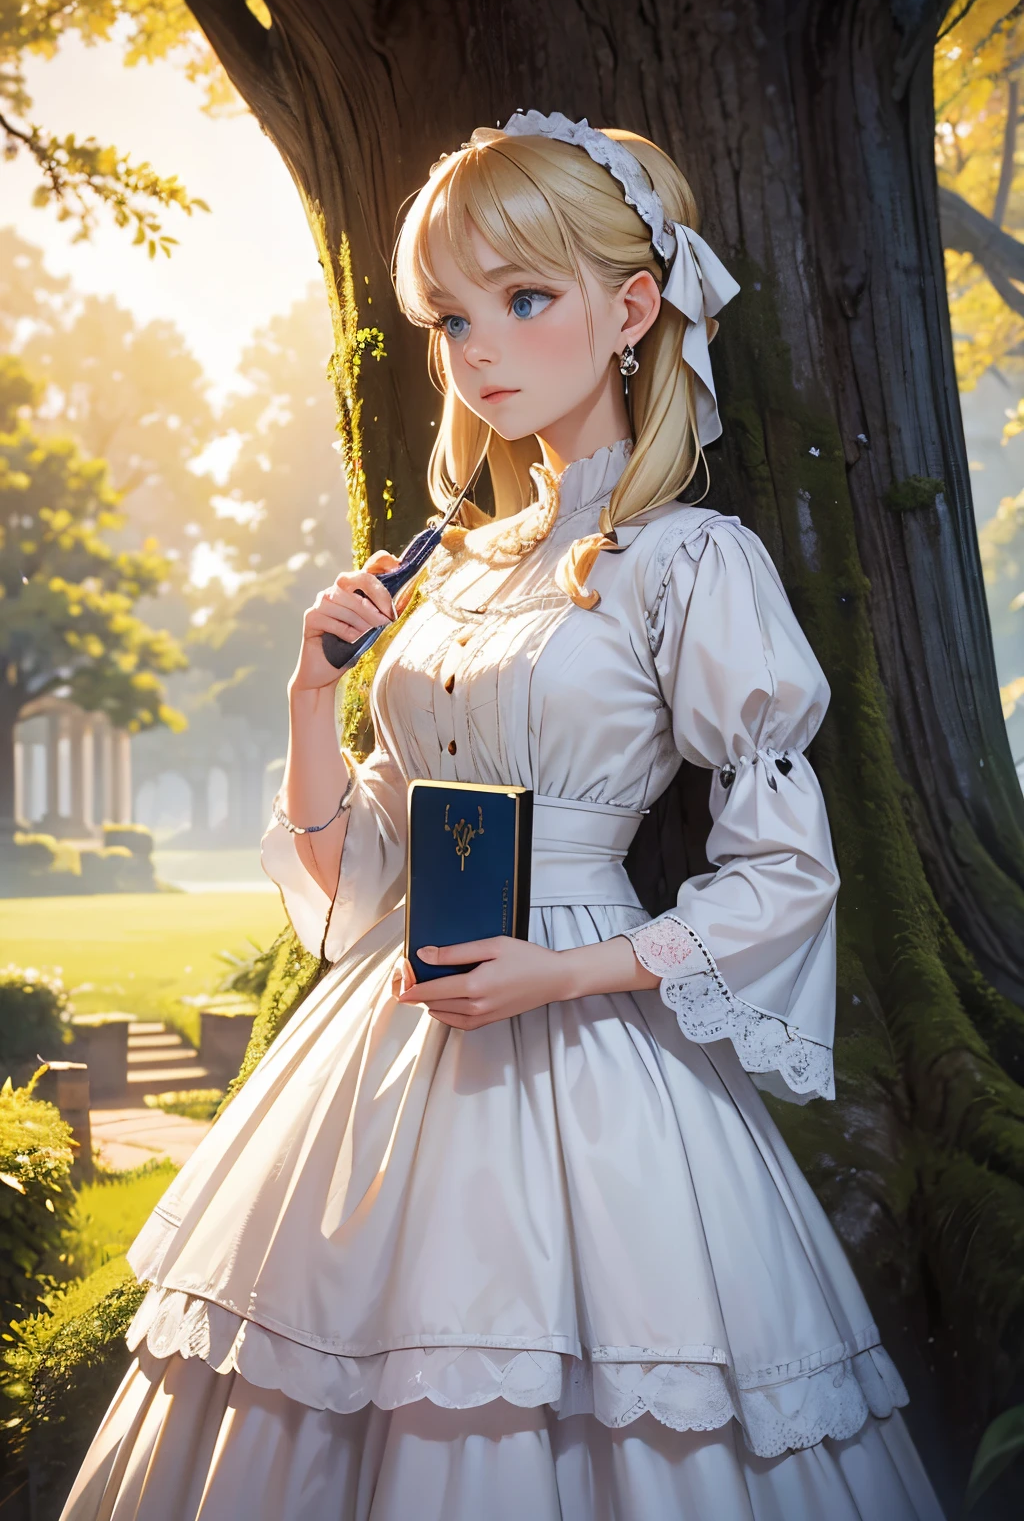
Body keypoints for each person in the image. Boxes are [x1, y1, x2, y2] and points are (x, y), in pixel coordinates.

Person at [60, 111, 945, 1521]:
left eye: (524, 301)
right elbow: (356, 890)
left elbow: (784, 871)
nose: (478, 349)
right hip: (390, 1042)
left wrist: (571, 968)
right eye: (452, 314)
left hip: (593, 1037)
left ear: (631, 309)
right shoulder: (447, 573)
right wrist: (310, 696)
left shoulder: (687, 564)